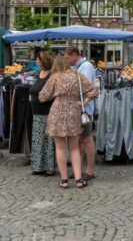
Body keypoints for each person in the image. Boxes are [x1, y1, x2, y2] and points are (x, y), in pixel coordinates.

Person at [39, 55, 99, 189]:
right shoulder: (77, 76)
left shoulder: (55, 77)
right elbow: (94, 90)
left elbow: (42, 96)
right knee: (74, 148)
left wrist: (55, 95)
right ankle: (78, 179)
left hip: (57, 110)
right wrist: (85, 101)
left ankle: (64, 180)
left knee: (60, 147)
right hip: (74, 110)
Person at [65, 46, 98, 183]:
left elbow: (86, 87)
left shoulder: (86, 67)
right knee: (78, 140)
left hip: (84, 110)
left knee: (87, 139)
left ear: (74, 55)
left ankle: (90, 171)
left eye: (67, 57)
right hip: (79, 108)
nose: (67, 60)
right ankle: (79, 170)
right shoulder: (78, 67)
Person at [28, 50, 56, 176]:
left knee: (49, 141)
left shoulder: (52, 75)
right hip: (37, 113)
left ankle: (49, 167)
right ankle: (38, 166)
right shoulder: (39, 73)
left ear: (43, 60)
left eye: (38, 59)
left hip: (48, 112)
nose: (36, 61)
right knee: (38, 141)